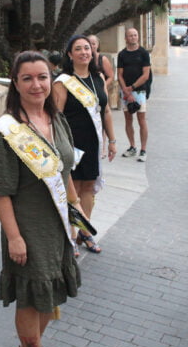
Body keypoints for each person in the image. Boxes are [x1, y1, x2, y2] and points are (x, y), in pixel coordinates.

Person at [0, 51, 82, 347]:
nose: (37, 84)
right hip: (27, 227)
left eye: (42, 77)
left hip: (58, 225)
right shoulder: (6, 131)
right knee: (31, 297)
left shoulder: (57, 119)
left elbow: (64, 170)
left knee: (50, 294)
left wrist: (76, 212)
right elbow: (0, 191)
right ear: (15, 83)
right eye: (28, 78)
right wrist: (14, 236)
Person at [52, 35, 117, 254]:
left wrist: (113, 140)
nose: (84, 52)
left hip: (93, 142)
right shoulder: (63, 81)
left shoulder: (98, 77)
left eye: (87, 48)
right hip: (71, 143)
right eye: (78, 49)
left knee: (88, 187)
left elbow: (105, 110)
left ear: (92, 51)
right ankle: (70, 235)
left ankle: (85, 231)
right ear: (70, 54)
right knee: (73, 190)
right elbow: (56, 116)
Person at [117, 27, 150, 162]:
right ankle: (132, 147)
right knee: (128, 120)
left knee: (141, 120)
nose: (133, 37)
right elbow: (119, 74)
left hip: (139, 92)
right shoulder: (122, 54)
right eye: (130, 35)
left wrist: (132, 88)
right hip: (125, 92)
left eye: (135, 35)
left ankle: (143, 149)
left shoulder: (143, 53)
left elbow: (146, 74)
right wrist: (125, 89)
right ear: (126, 38)